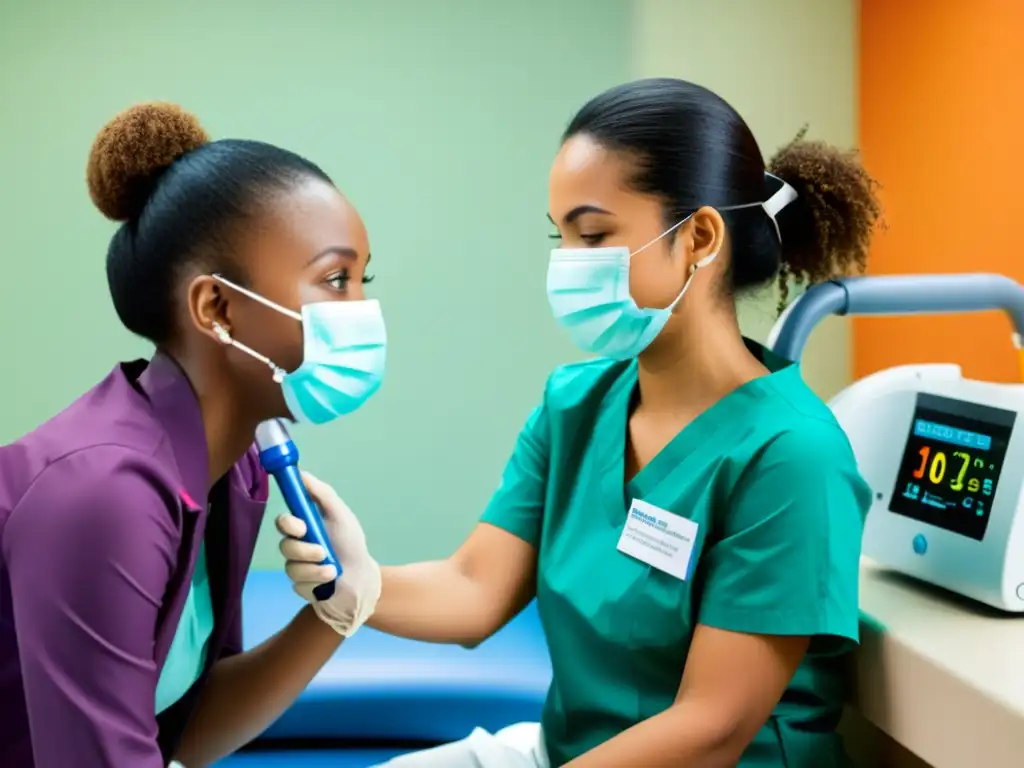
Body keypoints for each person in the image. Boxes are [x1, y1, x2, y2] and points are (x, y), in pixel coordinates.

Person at [280, 78, 882, 767]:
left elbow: (710, 728)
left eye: (593, 234)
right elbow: (476, 590)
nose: (568, 264)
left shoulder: (790, 456)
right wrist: (360, 582)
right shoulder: (576, 404)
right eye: (560, 235)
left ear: (699, 237)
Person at [0, 102, 383, 768]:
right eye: (334, 280)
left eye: (362, 280)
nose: (363, 313)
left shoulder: (235, 469)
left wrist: (330, 618)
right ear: (217, 309)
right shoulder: (102, 493)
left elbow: (181, 730)